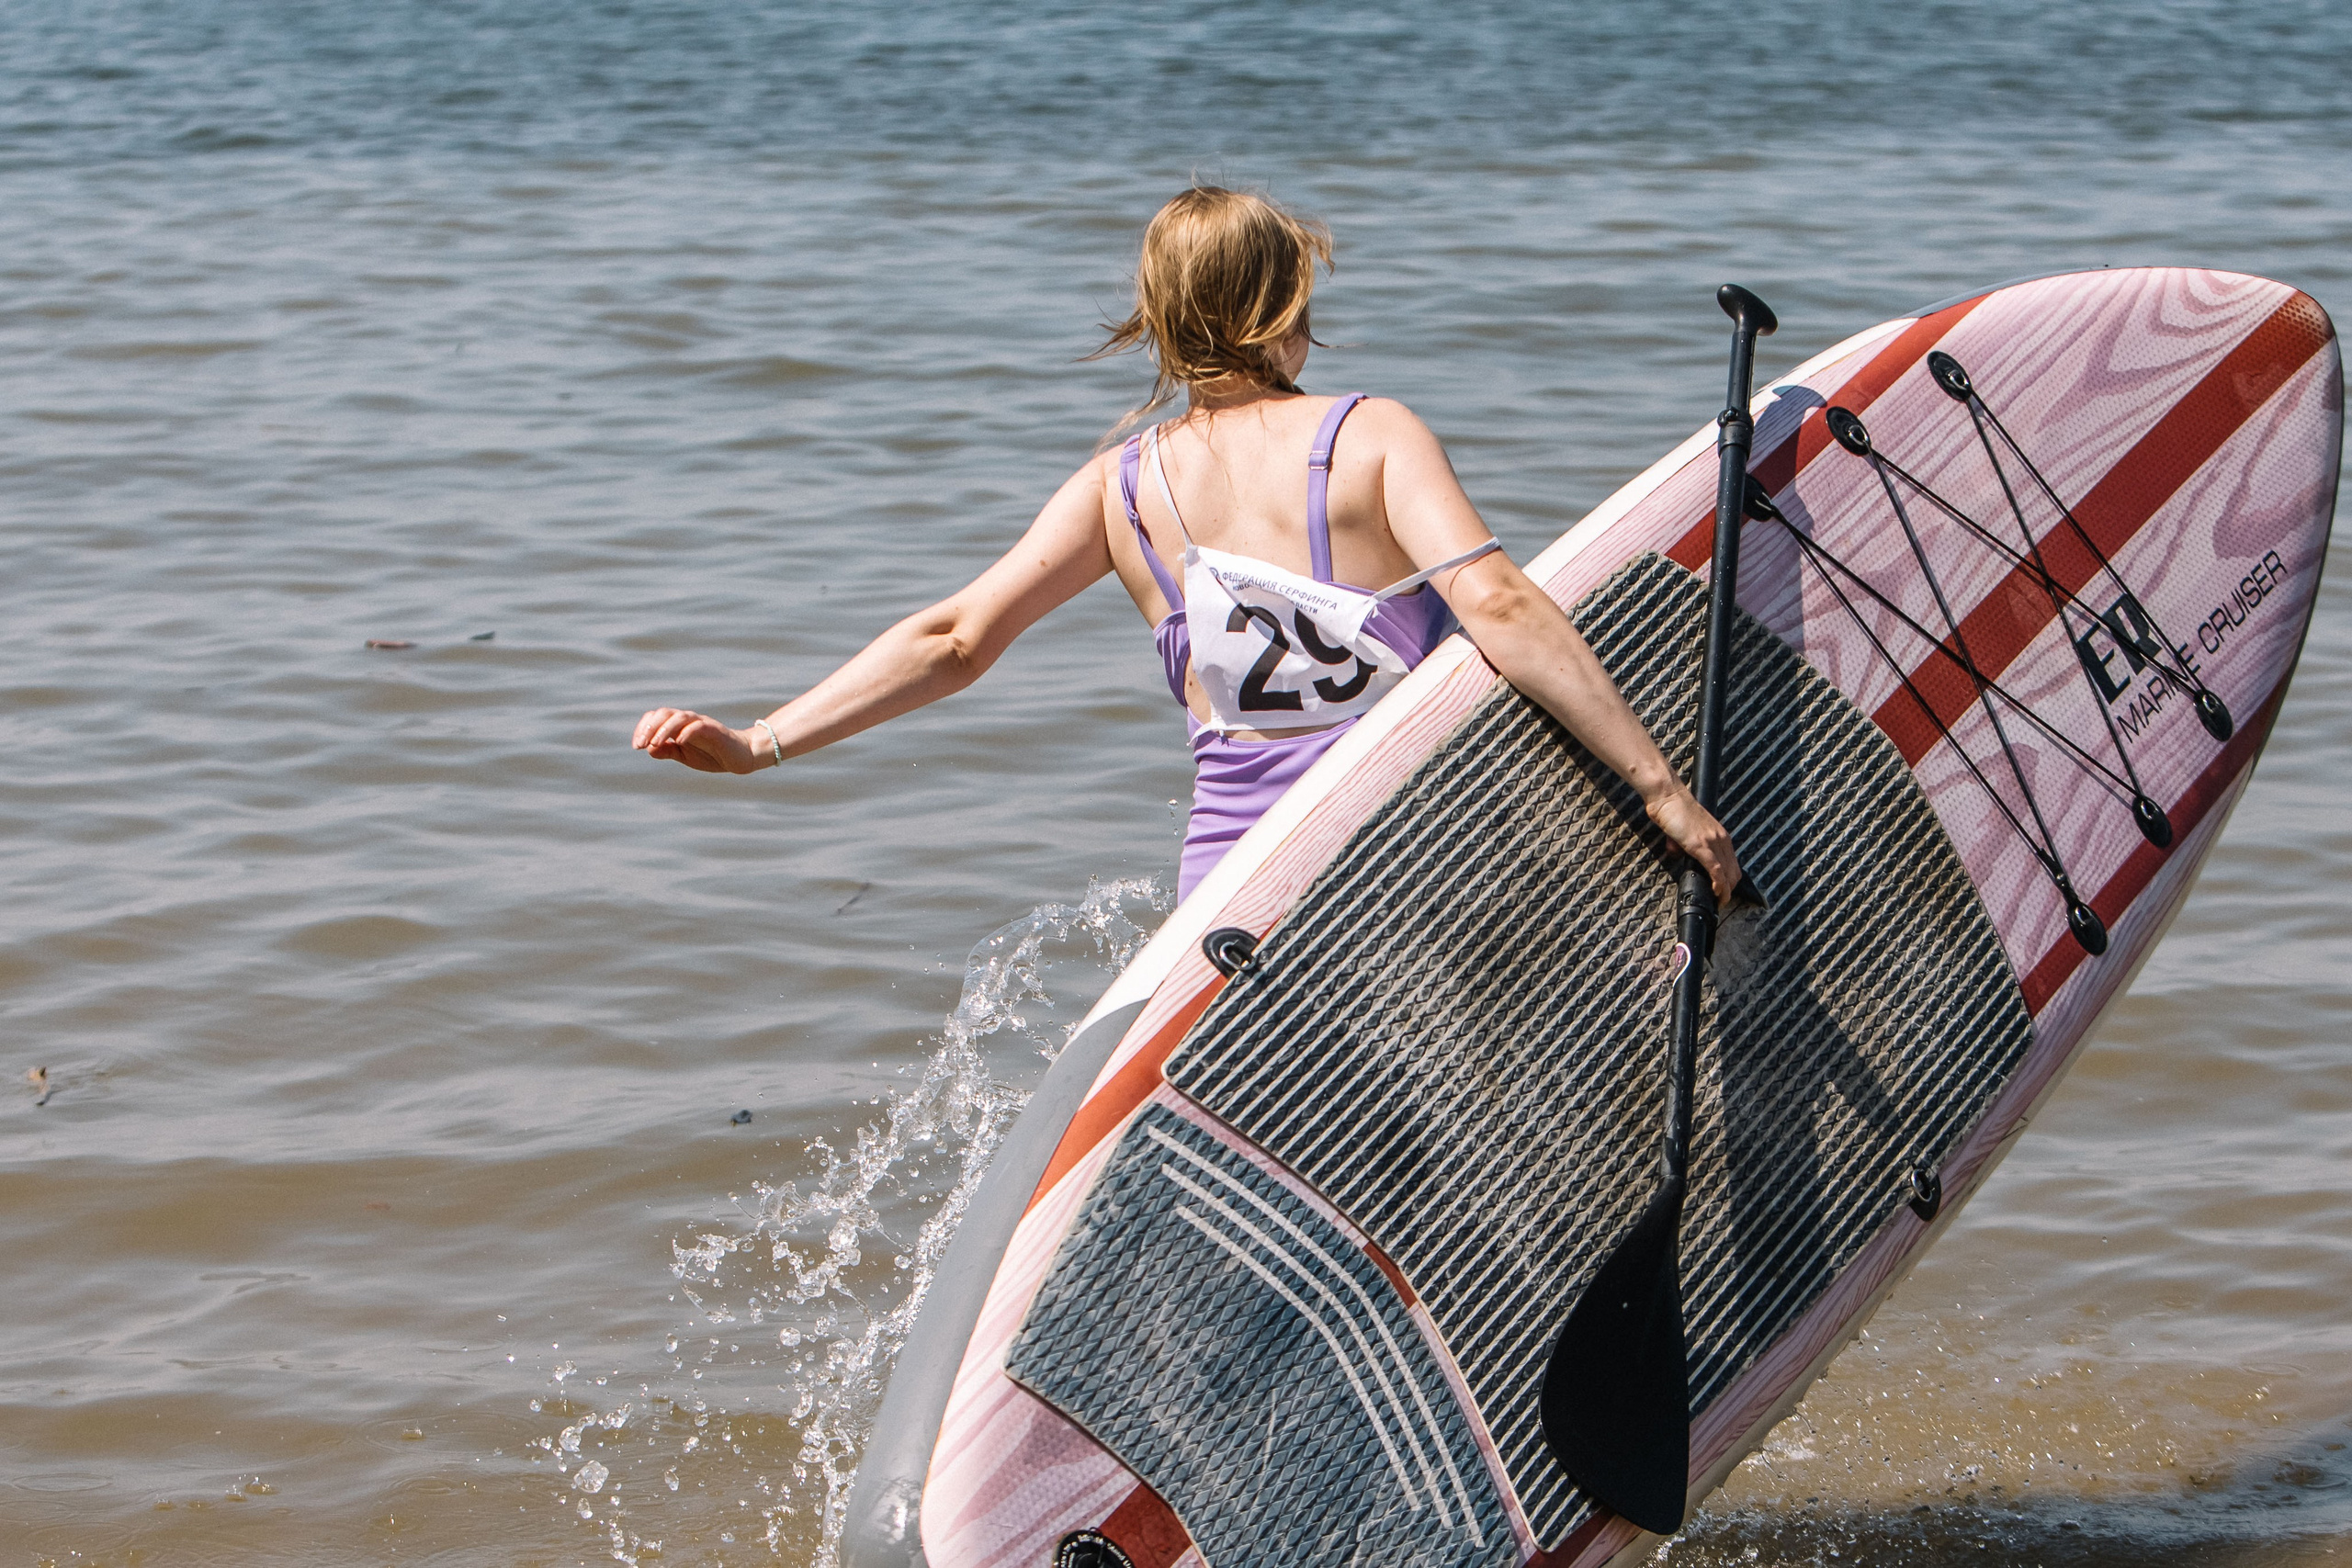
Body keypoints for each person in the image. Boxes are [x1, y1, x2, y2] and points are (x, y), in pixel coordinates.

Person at [633, 185, 1738, 903]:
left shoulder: (1118, 489)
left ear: (1160, 321)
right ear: (1284, 306)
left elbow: (957, 640)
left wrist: (761, 741)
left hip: (1232, 880)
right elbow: (1497, 606)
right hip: (1410, 838)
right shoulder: (1370, 435)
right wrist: (1657, 787)